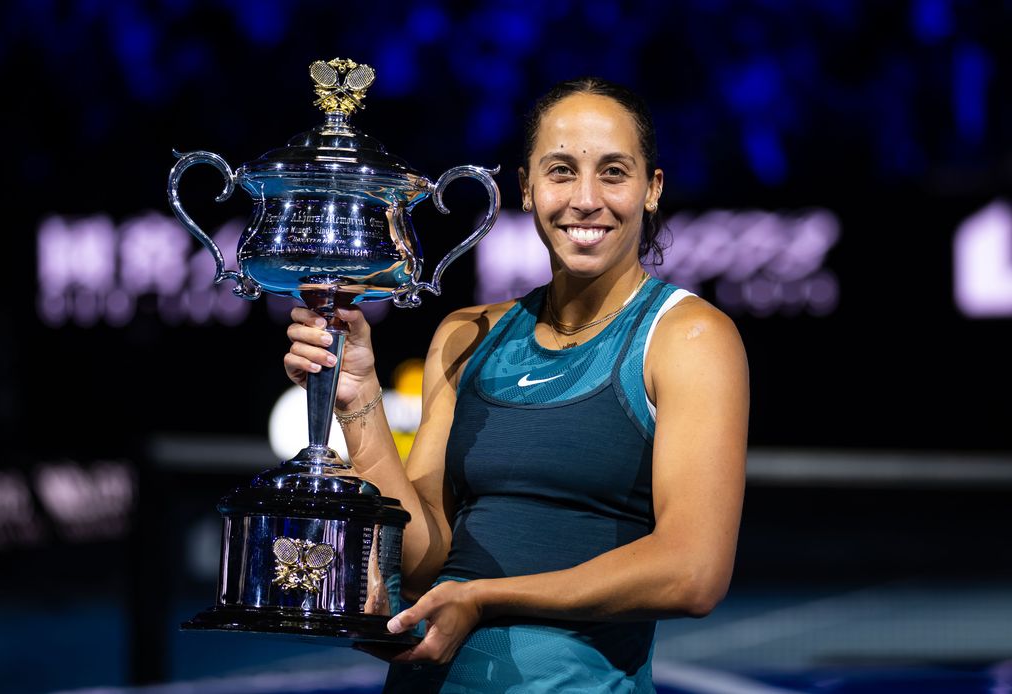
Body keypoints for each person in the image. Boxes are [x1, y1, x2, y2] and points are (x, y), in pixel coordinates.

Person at [284, 77, 749, 692]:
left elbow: (693, 573)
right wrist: (358, 399)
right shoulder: (465, 334)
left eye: (614, 172)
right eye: (560, 171)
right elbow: (420, 557)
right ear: (526, 189)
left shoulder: (689, 338)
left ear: (651, 189)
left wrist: (483, 598)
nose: (586, 199)